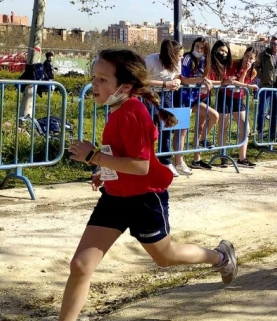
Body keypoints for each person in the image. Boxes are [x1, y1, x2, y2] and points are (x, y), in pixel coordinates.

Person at [60, 49, 238, 321]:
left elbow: (141, 166)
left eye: (102, 79)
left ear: (125, 86)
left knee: (165, 258)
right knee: (81, 265)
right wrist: (104, 169)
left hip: (145, 199)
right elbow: (122, 154)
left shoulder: (133, 111)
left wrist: (93, 156)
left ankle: (220, 257)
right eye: (94, 77)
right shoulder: (119, 107)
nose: (94, 84)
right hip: (115, 197)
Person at [145, 39, 193, 177]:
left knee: (167, 126)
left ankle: (165, 159)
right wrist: (165, 84)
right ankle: (147, 159)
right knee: (150, 128)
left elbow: (177, 75)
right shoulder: (151, 60)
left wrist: (177, 81)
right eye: (179, 55)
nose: (182, 58)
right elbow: (142, 80)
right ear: (171, 54)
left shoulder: (176, 62)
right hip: (149, 95)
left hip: (167, 96)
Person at [216, 46, 258, 168]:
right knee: (224, 126)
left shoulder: (253, 71)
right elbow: (233, 82)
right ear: (243, 55)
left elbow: (240, 85)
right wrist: (247, 84)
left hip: (239, 98)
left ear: (254, 60)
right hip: (225, 96)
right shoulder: (233, 64)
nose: (247, 60)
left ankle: (242, 157)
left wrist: (245, 72)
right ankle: (223, 156)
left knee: (245, 128)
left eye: (251, 58)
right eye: (246, 56)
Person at [180, 37, 218, 170]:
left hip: (198, 98)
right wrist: (201, 80)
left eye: (203, 48)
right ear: (193, 46)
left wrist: (215, 83)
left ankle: (198, 154)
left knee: (213, 117)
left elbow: (205, 79)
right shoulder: (187, 57)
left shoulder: (205, 60)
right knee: (182, 131)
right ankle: (179, 161)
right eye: (197, 47)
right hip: (184, 98)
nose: (199, 50)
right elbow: (184, 79)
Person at [255, 37, 277, 141]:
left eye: (276, 44)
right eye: (272, 44)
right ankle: (259, 132)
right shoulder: (263, 55)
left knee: (275, 112)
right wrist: (262, 76)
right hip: (266, 87)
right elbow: (256, 67)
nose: (273, 46)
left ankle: (272, 133)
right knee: (262, 111)